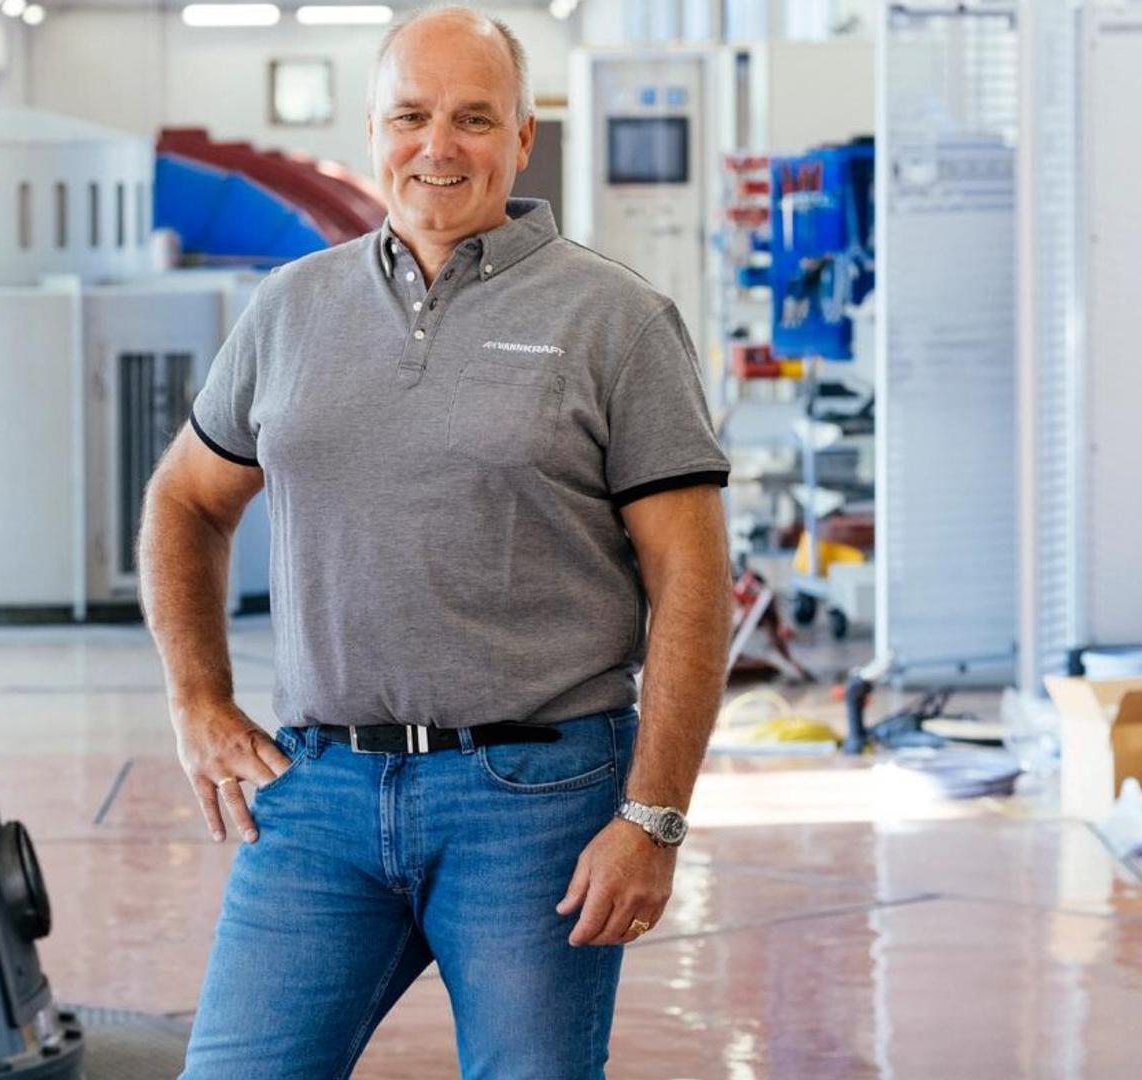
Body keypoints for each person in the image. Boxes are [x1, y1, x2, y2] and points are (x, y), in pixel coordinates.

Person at [138, 8, 732, 1077]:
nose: (438, 146)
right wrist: (196, 699)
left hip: (535, 805)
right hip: (318, 790)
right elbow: (185, 499)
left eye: (473, 118)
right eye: (411, 115)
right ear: (373, 129)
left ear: (522, 138)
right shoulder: (289, 308)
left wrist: (655, 816)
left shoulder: (616, 320)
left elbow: (691, 581)